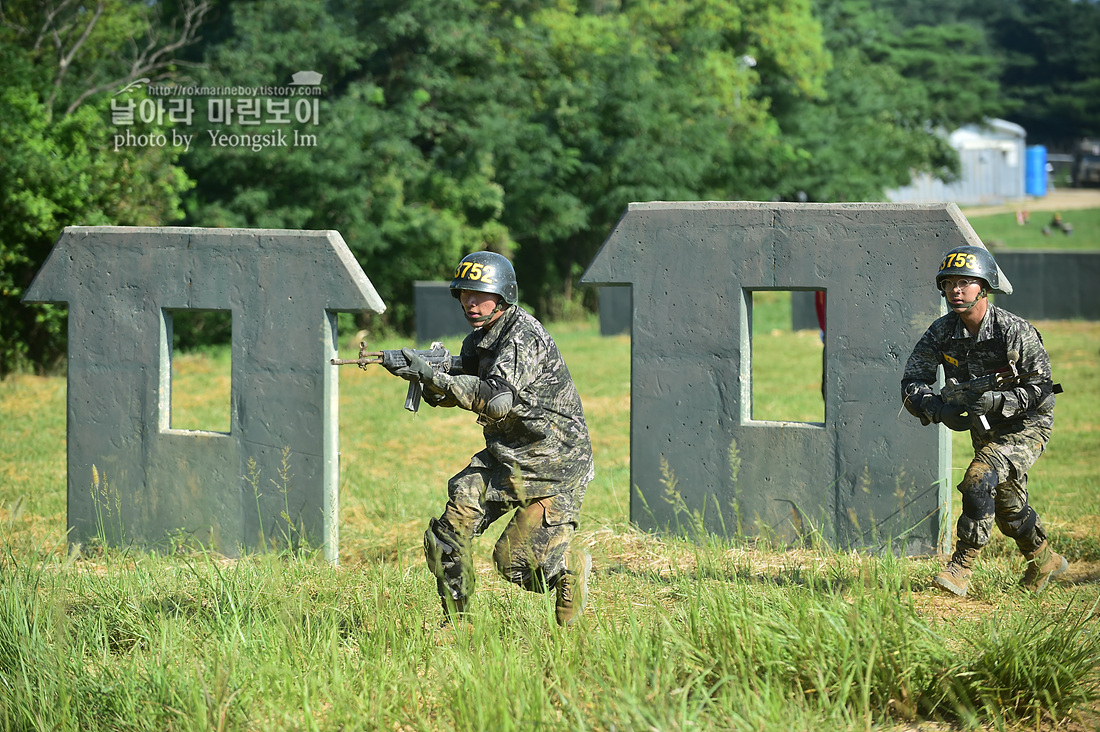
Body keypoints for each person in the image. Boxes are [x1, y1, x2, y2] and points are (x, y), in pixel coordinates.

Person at [390, 251, 595, 626]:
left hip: (554, 465)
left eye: (479, 294)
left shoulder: (523, 336)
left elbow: (497, 399)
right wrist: (420, 370)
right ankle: (458, 623)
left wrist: (437, 377)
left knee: (513, 564)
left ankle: (569, 572)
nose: (470, 302)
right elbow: (460, 383)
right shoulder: (479, 340)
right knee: (447, 535)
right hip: (506, 456)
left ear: (503, 296)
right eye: (464, 294)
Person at [901, 245, 1066, 597]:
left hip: (1026, 424)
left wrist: (1000, 400)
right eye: (949, 284)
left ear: (984, 288)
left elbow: (1042, 387)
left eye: (965, 282)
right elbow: (912, 381)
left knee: (977, 479)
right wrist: (936, 409)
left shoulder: (1014, 331)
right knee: (1005, 502)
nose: (956, 291)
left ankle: (961, 566)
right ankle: (1043, 559)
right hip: (983, 425)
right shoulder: (941, 332)